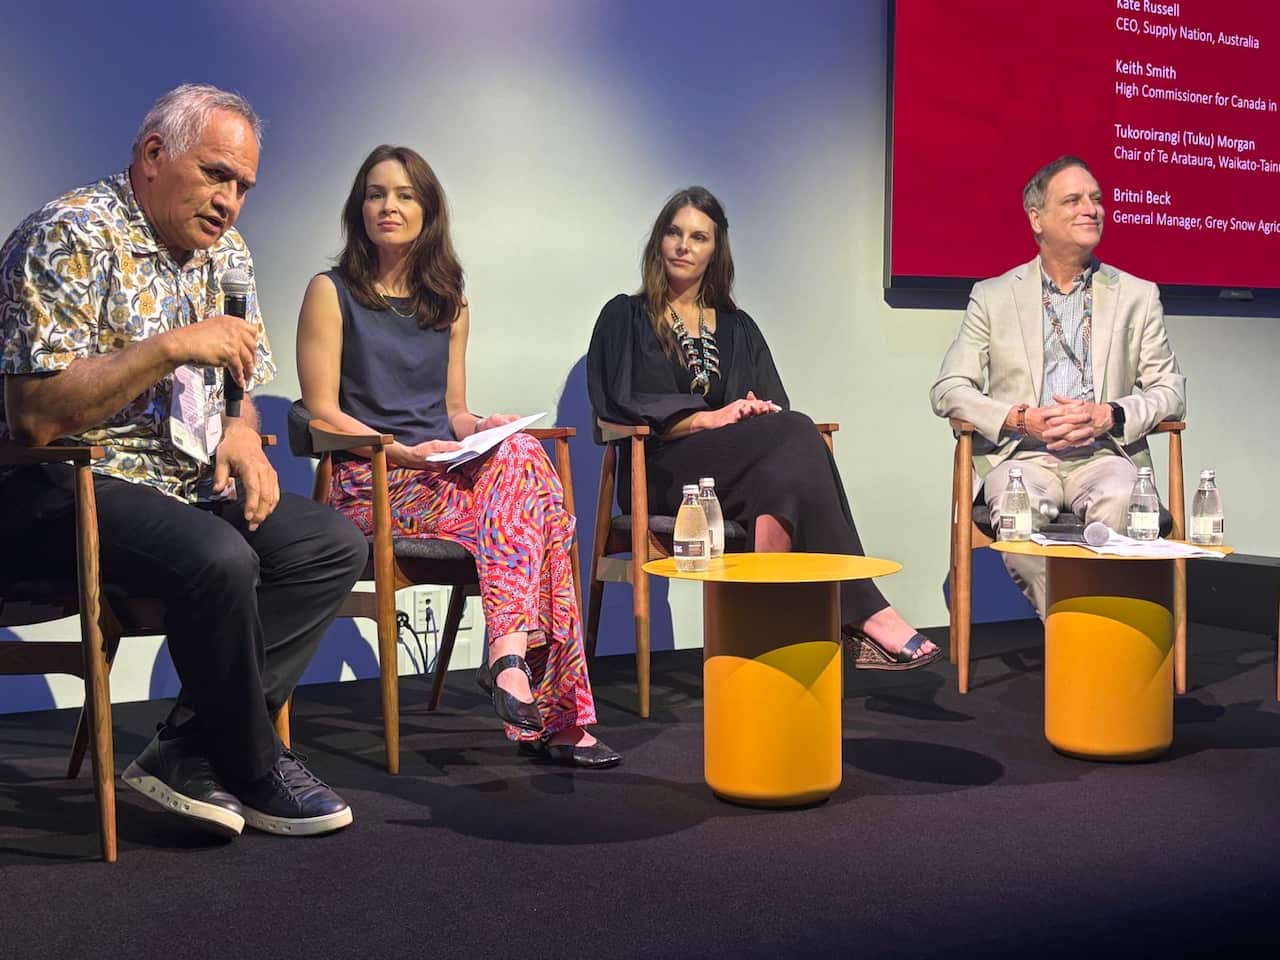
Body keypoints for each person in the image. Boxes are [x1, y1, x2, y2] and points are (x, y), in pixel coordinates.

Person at [0, 84, 367, 839]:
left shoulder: (224, 254)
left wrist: (239, 430)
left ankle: (189, 745)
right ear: (154, 155)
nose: (230, 202)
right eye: (216, 175)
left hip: (177, 485)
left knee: (329, 544)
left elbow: (236, 386)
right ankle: (255, 761)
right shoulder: (66, 234)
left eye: (242, 187)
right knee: (220, 557)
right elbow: (33, 419)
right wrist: (167, 347)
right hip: (60, 485)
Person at [296, 144, 619, 768]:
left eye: (404, 195)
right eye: (375, 193)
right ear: (358, 207)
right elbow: (321, 413)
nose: (388, 206)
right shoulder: (330, 292)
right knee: (543, 515)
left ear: (429, 211)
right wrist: (403, 453)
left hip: (441, 477)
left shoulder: (449, 300)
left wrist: (484, 425)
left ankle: (507, 658)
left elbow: (452, 409)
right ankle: (556, 713)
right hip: (372, 478)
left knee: (523, 455)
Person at [587, 186, 939, 669]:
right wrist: (705, 418)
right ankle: (864, 610)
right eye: (674, 232)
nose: (683, 246)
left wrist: (752, 410)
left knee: (788, 449)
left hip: (734, 476)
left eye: (698, 237)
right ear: (659, 241)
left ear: (716, 251)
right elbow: (617, 400)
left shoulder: (738, 326)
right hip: (663, 473)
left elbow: (774, 405)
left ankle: (774, 640)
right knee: (794, 438)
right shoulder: (624, 316)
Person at [930, 155, 1186, 615]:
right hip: (1024, 458)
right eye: (1073, 200)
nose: (1091, 208)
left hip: (1106, 454)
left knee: (1126, 502)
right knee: (1016, 513)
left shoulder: (1136, 295)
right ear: (1037, 218)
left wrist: (1111, 414)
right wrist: (1020, 418)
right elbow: (949, 387)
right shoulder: (993, 296)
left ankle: (1097, 645)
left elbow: (1170, 389)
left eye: (1096, 199)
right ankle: (1084, 636)